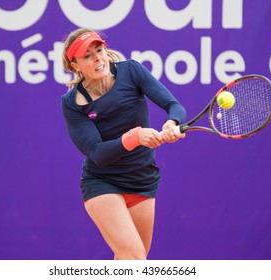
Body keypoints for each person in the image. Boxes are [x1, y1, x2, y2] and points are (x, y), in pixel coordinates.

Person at [61, 28, 186, 260]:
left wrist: (171, 122)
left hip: (142, 180)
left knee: (128, 263)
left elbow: (174, 106)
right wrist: (135, 137)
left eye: (99, 50)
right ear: (75, 65)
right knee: (135, 258)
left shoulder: (132, 71)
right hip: (102, 183)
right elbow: (97, 153)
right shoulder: (72, 103)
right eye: (87, 56)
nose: (97, 58)